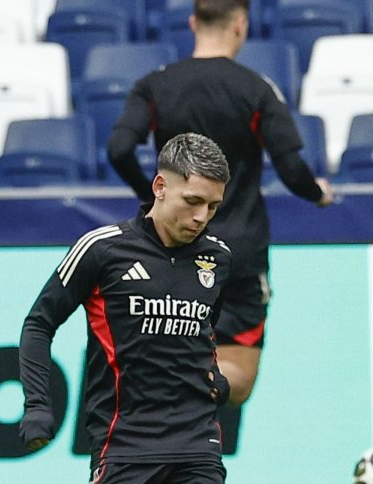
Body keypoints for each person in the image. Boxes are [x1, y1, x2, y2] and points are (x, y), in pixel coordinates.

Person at [20, 133, 235, 484]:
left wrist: (219, 383)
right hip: (124, 443)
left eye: (213, 206)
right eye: (193, 202)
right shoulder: (103, 248)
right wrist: (37, 405)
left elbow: (211, 342)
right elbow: (38, 323)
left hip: (194, 442)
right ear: (160, 187)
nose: (202, 216)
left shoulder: (218, 259)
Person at [108, 0, 334, 411]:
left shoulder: (154, 85)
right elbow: (291, 167)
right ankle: (193, 388)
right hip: (239, 251)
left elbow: (120, 148)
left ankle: (165, 386)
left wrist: (152, 196)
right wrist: (317, 194)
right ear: (241, 25)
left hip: (173, 246)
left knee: (165, 343)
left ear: (193, 22)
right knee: (238, 377)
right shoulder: (256, 88)